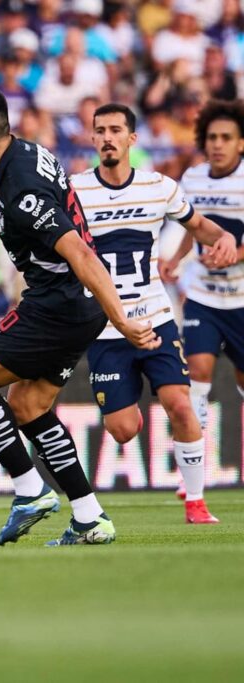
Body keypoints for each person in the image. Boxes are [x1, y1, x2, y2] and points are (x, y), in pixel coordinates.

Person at [0, 86, 158, 548]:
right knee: (28, 407)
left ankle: (29, 490)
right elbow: (35, 212)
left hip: (56, 306)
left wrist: (119, 319)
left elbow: (78, 249)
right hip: (76, 307)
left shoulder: (18, 180)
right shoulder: (26, 153)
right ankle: (89, 516)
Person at [73, 103, 234, 524]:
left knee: (180, 405)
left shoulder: (159, 187)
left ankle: (196, 502)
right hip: (105, 326)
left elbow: (199, 225)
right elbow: (22, 216)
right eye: (100, 130)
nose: (107, 137)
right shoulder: (72, 191)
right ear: (92, 139)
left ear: (132, 139)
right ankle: (131, 399)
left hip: (155, 316)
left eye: (115, 130)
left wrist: (226, 241)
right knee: (123, 430)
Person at [161, 99, 244, 483]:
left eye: (226, 137)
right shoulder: (193, 179)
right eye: (212, 137)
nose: (218, 144)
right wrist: (176, 258)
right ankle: (195, 470)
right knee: (197, 373)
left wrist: (234, 254)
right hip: (203, 297)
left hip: (241, 298)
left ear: (241, 143)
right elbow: (192, 225)